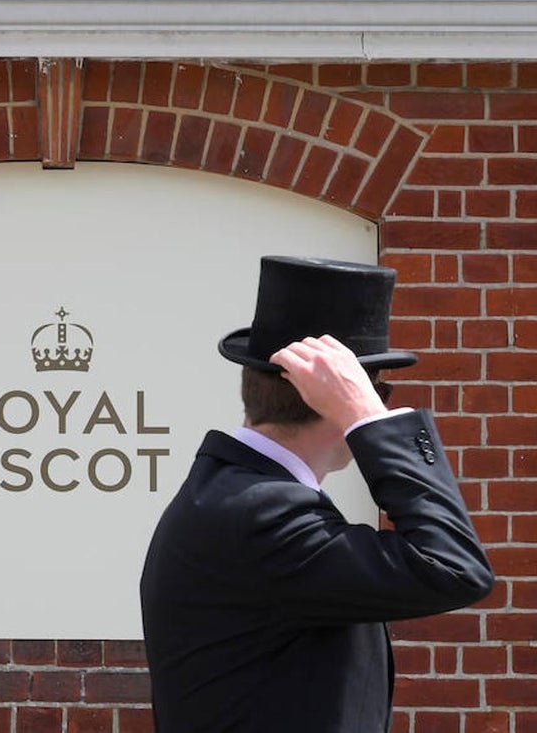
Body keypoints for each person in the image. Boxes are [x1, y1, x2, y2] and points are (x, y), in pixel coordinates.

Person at [140, 255, 494, 733]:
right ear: (332, 399)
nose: (380, 406)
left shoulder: (237, 495)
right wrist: (368, 419)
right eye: (376, 394)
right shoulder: (264, 515)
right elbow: (453, 567)